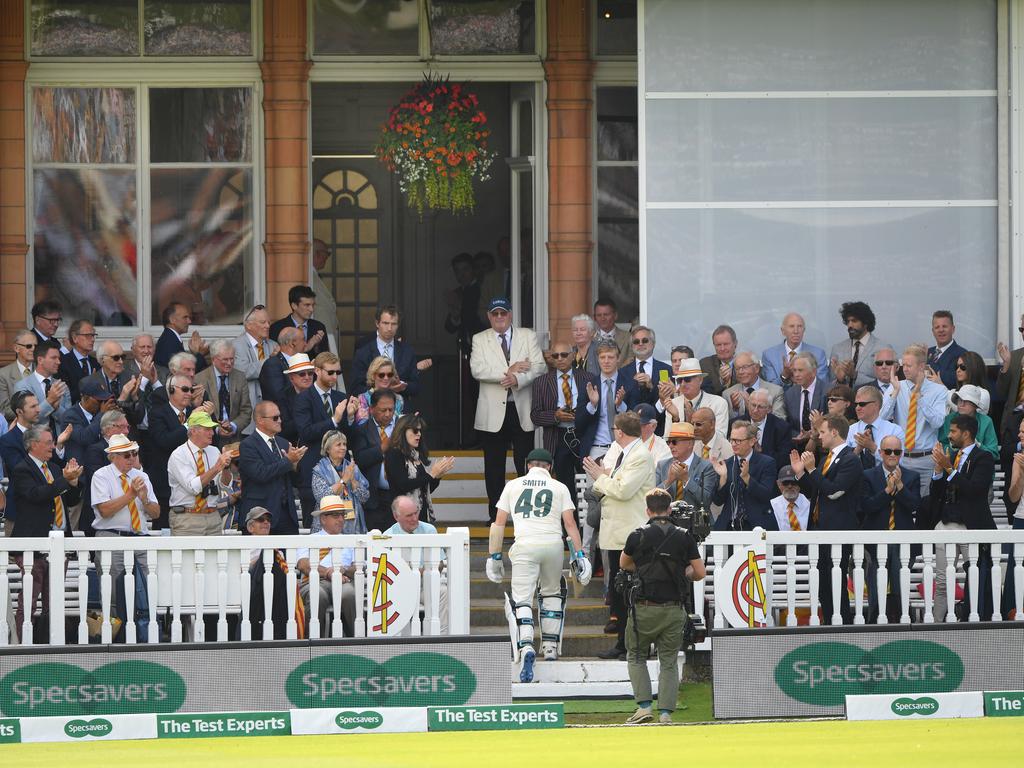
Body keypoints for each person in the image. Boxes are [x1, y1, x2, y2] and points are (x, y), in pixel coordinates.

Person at [486, 448, 590, 681]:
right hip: (552, 544)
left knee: (522, 599)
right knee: (552, 592)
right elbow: (570, 524)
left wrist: (494, 555)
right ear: (549, 467)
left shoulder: (513, 485)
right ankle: (551, 647)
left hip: (525, 545)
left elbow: (499, 523)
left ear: (527, 465)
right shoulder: (559, 486)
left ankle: (526, 646)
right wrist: (580, 554)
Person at [620, 488, 705, 725]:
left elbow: (624, 564)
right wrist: (682, 573)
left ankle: (644, 707)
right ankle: (666, 714)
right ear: (669, 509)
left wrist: (646, 571)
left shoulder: (637, 535)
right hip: (673, 609)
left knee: (636, 656)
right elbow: (699, 572)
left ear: (647, 510)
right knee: (668, 660)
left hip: (644, 608)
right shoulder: (684, 536)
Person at [583, 411, 656, 660]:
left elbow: (622, 490)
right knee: (619, 592)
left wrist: (600, 477)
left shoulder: (640, 455)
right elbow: (605, 485)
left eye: (615, 430)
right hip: (616, 533)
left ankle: (639, 646)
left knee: (636, 592)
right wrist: (602, 478)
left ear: (620, 431)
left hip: (633, 533)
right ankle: (623, 644)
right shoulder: (618, 450)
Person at [470, 297, 546, 522]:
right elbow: (478, 370)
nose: (499, 317)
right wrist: (510, 369)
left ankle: (527, 516)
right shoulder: (480, 339)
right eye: (495, 314)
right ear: (489, 316)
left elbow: (540, 366)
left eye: (503, 313)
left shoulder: (527, 335)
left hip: (521, 409)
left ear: (510, 315)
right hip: (492, 413)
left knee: (525, 465)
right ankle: (496, 516)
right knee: (494, 469)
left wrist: (517, 378)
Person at [9, 425, 83, 640]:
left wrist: (74, 482)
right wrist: (63, 480)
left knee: (55, 599)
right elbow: (36, 495)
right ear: (33, 445)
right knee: (30, 597)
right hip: (33, 544)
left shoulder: (53, 467)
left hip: (59, 543)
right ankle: (22, 642)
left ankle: (52, 639)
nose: (53, 446)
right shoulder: (22, 469)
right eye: (49, 442)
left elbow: (70, 500)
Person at [790, 413, 864, 624]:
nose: (819, 437)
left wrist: (812, 470)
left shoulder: (851, 460)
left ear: (834, 432)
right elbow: (815, 491)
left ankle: (843, 624)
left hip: (838, 530)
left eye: (822, 432)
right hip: (819, 530)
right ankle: (830, 621)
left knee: (836, 580)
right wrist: (801, 474)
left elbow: (834, 492)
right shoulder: (825, 459)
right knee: (822, 582)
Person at [929, 413, 996, 622]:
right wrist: (939, 471)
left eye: (953, 431)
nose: (949, 435)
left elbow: (975, 490)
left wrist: (949, 467)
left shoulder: (983, 457)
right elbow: (936, 494)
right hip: (946, 523)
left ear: (966, 434)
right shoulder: (952, 455)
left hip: (970, 526)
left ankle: (974, 621)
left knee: (975, 576)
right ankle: (938, 624)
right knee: (941, 581)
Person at [90, 433, 158, 638]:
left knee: (150, 585)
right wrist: (131, 495)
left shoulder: (142, 476)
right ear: (113, 457)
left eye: (133, 453)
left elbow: (156, 513)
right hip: (112, 535)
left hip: (140, 535)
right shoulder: (101, 475)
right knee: (112, 592)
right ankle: (115, 636)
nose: (131, 458)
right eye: (126, 454)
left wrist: (145, 500)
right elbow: (104, 510)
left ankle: (148, 632)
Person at [860, 435, 921, 623]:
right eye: (888, 451)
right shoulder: (868, 475)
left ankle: (903, 621)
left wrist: (900, 486)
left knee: (901, 586)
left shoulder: (912, 476)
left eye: (896, 451)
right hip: (876, 542)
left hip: (902, 541)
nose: (892, 455)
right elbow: (867, 506)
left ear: (901, 453)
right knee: (876, 588)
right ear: (880, 452)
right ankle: (874, 622)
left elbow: (914, 505)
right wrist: (887, 491)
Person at [530, 340, 599, 505]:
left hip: (583, 436)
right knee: (564, 488)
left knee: (592, 484)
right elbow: (535, 415)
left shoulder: (588, 378)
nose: (560, 358)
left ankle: (590, 528)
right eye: (555, 355)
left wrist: (582, 414)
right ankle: (570, 528)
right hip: (558, 437)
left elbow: (598, 410)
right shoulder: (541, 382)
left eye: (564, 354)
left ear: (573, 355)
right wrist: (556, 416)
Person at [294, 351, 357, 526]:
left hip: (339, 471)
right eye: (330, 372)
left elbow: (348, 437)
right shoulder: (303, 399)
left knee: (341, 524)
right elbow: (305, 433)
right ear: (317, 371)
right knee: (312, 524)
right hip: (313, 469)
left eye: (338, 372)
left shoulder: (340, 397)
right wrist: (333, 420)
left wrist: (350, 418)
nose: (334, 376)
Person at [879, 344, 948, 499]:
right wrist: (895, 393)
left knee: (925, 507)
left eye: (909, 365)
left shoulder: (938, 390)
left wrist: (919, 398)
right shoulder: (897, 386)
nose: (905, 369)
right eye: (903, 365)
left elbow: (938, 422)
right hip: (901, 458)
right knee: (901, 506)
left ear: (921, 366)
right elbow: (881, 419)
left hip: (926, 459)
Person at [384, 494, 449, 634]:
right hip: (399, 588)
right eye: (409, 515)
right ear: (396, 517)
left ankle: (442, 637)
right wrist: (415, 572)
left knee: (443, 591)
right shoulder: (387, 536)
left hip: (424, 585)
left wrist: (421, 571)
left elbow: (440, 563)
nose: (414, 518)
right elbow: (389, 574)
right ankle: (397, 640)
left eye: (416, 513)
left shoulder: (429, 530)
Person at [239, 401, 306, 534]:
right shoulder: (248, 445)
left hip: (287, 514)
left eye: (280, 417)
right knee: (261, 555)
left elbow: (295, 481)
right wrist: (288, 461)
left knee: (288, 555)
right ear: (260, 420)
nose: (280, 420)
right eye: (275, 418)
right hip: (260, 516)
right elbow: (260, 474)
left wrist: (295, 466)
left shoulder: (283, 443)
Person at [167, 410, 236, 536]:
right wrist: (217, 467)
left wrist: (225, 467)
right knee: (187, 556)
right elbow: (194, 487)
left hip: (213, 516)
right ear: (193, 431)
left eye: (212, 429)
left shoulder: (214, 451)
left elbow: (225, 485)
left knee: (215, 556)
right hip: (187, 518)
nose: (211, 433)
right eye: (207, 429)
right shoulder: (179, 455)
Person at [297, 495, 357, 636]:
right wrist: (329, 573)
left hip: (343, 582)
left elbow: (357, 568)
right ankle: (312, 641)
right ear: (323, 518)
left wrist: (344, 570)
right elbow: (303, 564)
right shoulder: (310, 539)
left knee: (349, 594)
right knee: (318, 595)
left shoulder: (350, 540)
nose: (341, 519)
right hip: (314, 582)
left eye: (342, 515)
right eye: (336, 516)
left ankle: (356, 639)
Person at [385, 413, 455, 524]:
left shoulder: (416, 455)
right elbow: (403, 485)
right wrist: (431, 474)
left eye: (420, 431)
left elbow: (425, 489)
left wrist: (437, 477)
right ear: (403, 431)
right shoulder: (394, 453)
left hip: (420, 513)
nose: (419, 435)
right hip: (402, 515)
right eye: (415, 431)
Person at [710, 421, 778, 531]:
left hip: (755, 526)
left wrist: (747, 478)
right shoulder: (727, 464)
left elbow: (766, 494)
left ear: (752, 441)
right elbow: (718, 501)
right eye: (731, 440)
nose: (733, 444)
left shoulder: (767, 463)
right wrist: (723, 478)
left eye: (738, 441)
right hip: (729, 525)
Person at [243, 507, 297, 640]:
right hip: (252, 592)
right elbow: (242, 570)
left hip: (277, 594)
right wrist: (263, 558)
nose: (266, 523)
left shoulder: (277, 549)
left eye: (268, 520)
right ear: (250, 527)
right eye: (261, 520)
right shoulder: (244, 547)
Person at [352, 389, 399, 531]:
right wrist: (381, 449)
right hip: (374, 498)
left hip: (398, 495)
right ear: (371, 409)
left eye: (391, 409)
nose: (388, 414)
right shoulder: (362, 430)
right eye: (383, 410)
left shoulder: (402, 428)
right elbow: (360, 459)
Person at [350, 305, 421, 400]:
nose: (389, 328)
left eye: (394, 324)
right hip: (372, 408)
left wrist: (402, 387)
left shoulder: (407, 351)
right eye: (385, 323)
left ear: (398, 326)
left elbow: (416, 387)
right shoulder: (363, 353)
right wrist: (378, 389)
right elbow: (355, 388)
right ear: (377, 323)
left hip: (401, 408)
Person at [194, 339, 254, 443]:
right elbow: (197, 413)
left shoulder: (240, 377)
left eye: (232, 359)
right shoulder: (200, 379)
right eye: (225, 360)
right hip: (209, 440)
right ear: (213, 360)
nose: (229, 363)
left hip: (234, 439)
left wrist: (233, 426)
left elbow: (246, 410)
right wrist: (217, 429)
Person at [312, 429, 368, 534]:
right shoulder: (319, 470)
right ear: (328, 449)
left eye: (344, 444)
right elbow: (322, 497)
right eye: (338, 445)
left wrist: (353, 481)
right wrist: (344, 480)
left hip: (353, 524)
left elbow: (364, 497)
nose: (343, 448)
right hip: (328, 524)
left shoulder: (352, 468)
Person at [659, 358, 728, 439]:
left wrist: (694, 420)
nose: (683, 384)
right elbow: (668, 440)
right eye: (680, 380)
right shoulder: (673, 404)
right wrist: (676, 419)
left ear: (700, 380)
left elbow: (720, 438)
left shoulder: (718, 403)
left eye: (687, 379)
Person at [654, 421, 716, 509]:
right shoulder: (662, 465)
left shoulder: (706, 467)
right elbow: (652, 499)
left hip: (695, 521)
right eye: (669, 442)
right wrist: (668, 481)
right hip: (667, 521)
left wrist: (686, 480)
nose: (670, 446)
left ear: (690, 443)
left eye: (674, 442)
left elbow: (706, 501)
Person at [13, 339, 71, 430]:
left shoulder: (62, 386)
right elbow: (27, 419)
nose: (58, 362)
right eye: (53, 358)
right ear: (40, 360)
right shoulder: (22, 386)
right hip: (34, 441)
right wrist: (49, 401)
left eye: (58, 358)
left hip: (61, 441)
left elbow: (69, 419)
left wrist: (56, 409)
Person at [761, 312, 827, 388]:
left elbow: (822, 384)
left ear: (804, 330)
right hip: (781, 399)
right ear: (783, 331)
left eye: (800, 326)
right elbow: (770, 387)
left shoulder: (818, 354)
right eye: (791, 326)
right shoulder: (769, 355)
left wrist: (803, 379)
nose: (796, 331)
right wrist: (784, 376)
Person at [829, 301, 887, 388]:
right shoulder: (837, 349)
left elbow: (886, 383)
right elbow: (830, 385)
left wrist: (855, 375)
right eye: (848, 321)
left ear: (865, 323)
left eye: (854, 321)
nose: (850, 325)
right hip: (844, 400)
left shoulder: (883, 348)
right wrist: (840, 380)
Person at [232, 304, 277, 414]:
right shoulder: (236, 345)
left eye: (268, 322)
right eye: (263, 322)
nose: (267, 326)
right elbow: (244, 371)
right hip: (248, 408)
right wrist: (269, 361)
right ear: (249, 325)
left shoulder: (273, 345)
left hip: (271, 406)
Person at [847, 385, 904, 469]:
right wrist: (858, 449)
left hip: (886, 479)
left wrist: (873, 448)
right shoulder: (850, 430)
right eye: (856, 404)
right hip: (856, 479)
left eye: (862, 404)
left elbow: (899, 462)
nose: (857, 408)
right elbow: (844, 463)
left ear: (876, 405)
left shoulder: (894, 431)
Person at [938, 385, 998, 459]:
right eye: (959, 400)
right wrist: (953, 448)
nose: (961, 404)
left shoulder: (986, 421)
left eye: (966, 401)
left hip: (978, 465)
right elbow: (941, 445)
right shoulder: (949, 419)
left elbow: (994, 454)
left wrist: (976, 446)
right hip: (952, 465)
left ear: (975, 405)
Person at [621, 325, 671, 414]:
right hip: (631, 424)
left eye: (645, 340)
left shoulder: (665, 370)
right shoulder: (623, 372)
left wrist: (651, 386)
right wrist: (634, 384)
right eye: (636, 341)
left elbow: (667, 399)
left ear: (653, 343)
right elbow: (622, 402)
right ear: (632, 346)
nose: (640, 344)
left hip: (658, 424)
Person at [269, 285, 330, 358]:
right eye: (307, 305)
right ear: (294, 306)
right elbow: (277, 357)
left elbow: (325, 358)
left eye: (313, 305)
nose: (311, 309)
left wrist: (316, 346)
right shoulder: (277, 328)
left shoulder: (319, 327)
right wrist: (307, 346)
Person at [721, 351, 785, 420]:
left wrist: (752, 408)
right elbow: (727, 425)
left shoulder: (775, 392)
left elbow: (780, 422)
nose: (740, 372)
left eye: (745, 367)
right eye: (737, 369)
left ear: (757, 368)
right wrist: (735, 410)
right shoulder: (728, 394)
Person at [782, 351, 827, 448]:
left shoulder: (827, 391)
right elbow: (787, 424)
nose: (796, 375)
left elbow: (831, 421)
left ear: (814, 372)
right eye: (794, 371)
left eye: (800, 370)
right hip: (797, 446)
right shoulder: (790, 394)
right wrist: (798, 435)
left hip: (822, 446)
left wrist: (811, 434)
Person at [747, 388, 794, 471]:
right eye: (753, 405)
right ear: (748, 404)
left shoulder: (782, 428)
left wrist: (761, 453)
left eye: (760, 407)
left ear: (769, 409)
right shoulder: (737, 423)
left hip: (769, 473)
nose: (755, 410)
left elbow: (784, 460)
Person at [258, 326, 305, 408]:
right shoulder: (272, 364)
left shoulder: (301, 362)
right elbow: (278, 396)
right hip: (282, 417)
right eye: (303, 339)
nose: (306, 343)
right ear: (292, 343)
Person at [154, 302, 208, 371]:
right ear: (172, 320)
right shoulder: (169, 341)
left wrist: (195, 353)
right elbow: (184, 370)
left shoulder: (170, 337)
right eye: (185, 317)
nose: (189, 321)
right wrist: (200, 354)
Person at [309, 238, 341, 353]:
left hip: (326, 335)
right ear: (317, 254)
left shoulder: (314, 275)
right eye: (326, 254)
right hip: (319, 337)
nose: (327, 258)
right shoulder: (309, 277)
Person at [57, 319, 99, 404]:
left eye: (93, 335)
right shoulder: (62, 363)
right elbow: (65, 397)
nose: (92, 339)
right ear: (75, 338)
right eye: (88, 335)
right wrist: (88, 385)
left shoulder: (96, 363)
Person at [278, 353, 316, 446]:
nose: (307, 377)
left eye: (310, 373)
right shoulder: (283, 397)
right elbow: (284, 428)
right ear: (291, 378)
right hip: (294, 446)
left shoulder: (319, 393)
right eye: (302, 374)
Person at [355, 356, 406, 423]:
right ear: (373, 375)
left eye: (390, 374)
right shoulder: (363, 398)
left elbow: (399, 426)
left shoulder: (399, 399)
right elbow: (362, 424)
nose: (386, 378)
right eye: (381, 375)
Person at [0, 330, 37, 422]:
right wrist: (31, 414)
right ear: (16, 348)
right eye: (29, 346)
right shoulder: (3, 374)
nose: (33, 349)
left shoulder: (44, 370)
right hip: (16, 428)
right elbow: (5, 409)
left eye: (35, 346)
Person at [927, 310, 968, 390]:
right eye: (937, 327)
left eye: (944, 326)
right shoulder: (927, 353)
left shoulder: (963, 355)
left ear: (953, 329)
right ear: (933, 331)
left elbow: (955, 381)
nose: (941, 330)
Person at [698, 324, 739, 396]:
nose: (722, 348)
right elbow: (704, 394)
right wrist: (721, 381)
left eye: (726, 344)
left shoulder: (745, 363)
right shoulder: (705, 365)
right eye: (718, 345)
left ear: (735, 343)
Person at [770, 465, 810, 532]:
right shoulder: (772, 506)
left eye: (794, 482)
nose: (790, 486)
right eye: (785, 483)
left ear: (800, 483)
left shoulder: (810, 504)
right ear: (778, 484)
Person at [592, 299, 632, 364]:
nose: (603, 318)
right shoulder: (589, 339)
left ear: (615, 316)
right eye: (599, 315)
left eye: (606, 314)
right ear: (594, 318)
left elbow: (631, 362)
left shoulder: (629, 337)